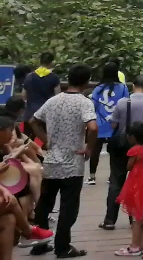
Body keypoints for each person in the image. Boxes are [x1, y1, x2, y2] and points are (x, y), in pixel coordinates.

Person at [30, 63, 98, 258]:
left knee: (45, 204)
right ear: (86, 82)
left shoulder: (53, 101)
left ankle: (40, 243)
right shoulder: (84, 102)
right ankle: (63, 246)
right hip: (72, 164)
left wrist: (46, 140)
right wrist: (89, 148)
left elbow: (34, 120)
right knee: (69, 207)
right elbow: (92, 127)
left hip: (51, 162)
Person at [102, 74, 143, 231]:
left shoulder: (122, 103)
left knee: (116, 181)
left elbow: (114, 125)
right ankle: (136, 220)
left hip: (122, 146)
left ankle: (110, 219)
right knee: (138, 183)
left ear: (133, 86)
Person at [0, 114, 55, 250]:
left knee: (9, 220)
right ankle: (28, 231)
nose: (12, 134)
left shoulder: (10, 143)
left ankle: (26, 229)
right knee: (11, 200)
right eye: (10, 131)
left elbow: (35, 157)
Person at [113, 121, 143, 257]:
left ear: (133, 137)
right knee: (142, 216)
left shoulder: (134, 150)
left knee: (136, 217)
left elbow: (128, 167)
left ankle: (135, 246)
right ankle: (141, 244)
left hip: (137, 185)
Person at [88, 60, 129, 186]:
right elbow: (126, 104)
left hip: (100, 123)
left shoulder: (98, 89)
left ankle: (92, 176)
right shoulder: (123, 88)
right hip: (115, 124)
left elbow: (92, 106)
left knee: (95, 150)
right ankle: (112, 176)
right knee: (114, 151)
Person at [22, 51, 59, 121]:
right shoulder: (54, 77)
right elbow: (57, 96)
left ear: (40, 61)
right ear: (51, 62)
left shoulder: (29, 76)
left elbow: (23, 95)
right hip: (46, 115)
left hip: (29, 114)